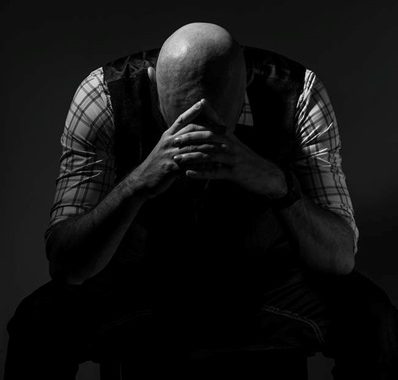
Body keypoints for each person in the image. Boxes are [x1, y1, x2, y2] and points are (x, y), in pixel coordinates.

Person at [4, 22, 398, 380]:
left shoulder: (297, 93)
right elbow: (66, 264)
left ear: (242, 88)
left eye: (213, 123)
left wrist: (278, 185)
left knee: (371, 317)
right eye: (180, 121)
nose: (198, 137)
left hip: (261, 284)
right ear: (158, 88)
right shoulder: (103, 96)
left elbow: (340, 257)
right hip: (142, 284)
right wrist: (138, 183)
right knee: (39, 323)